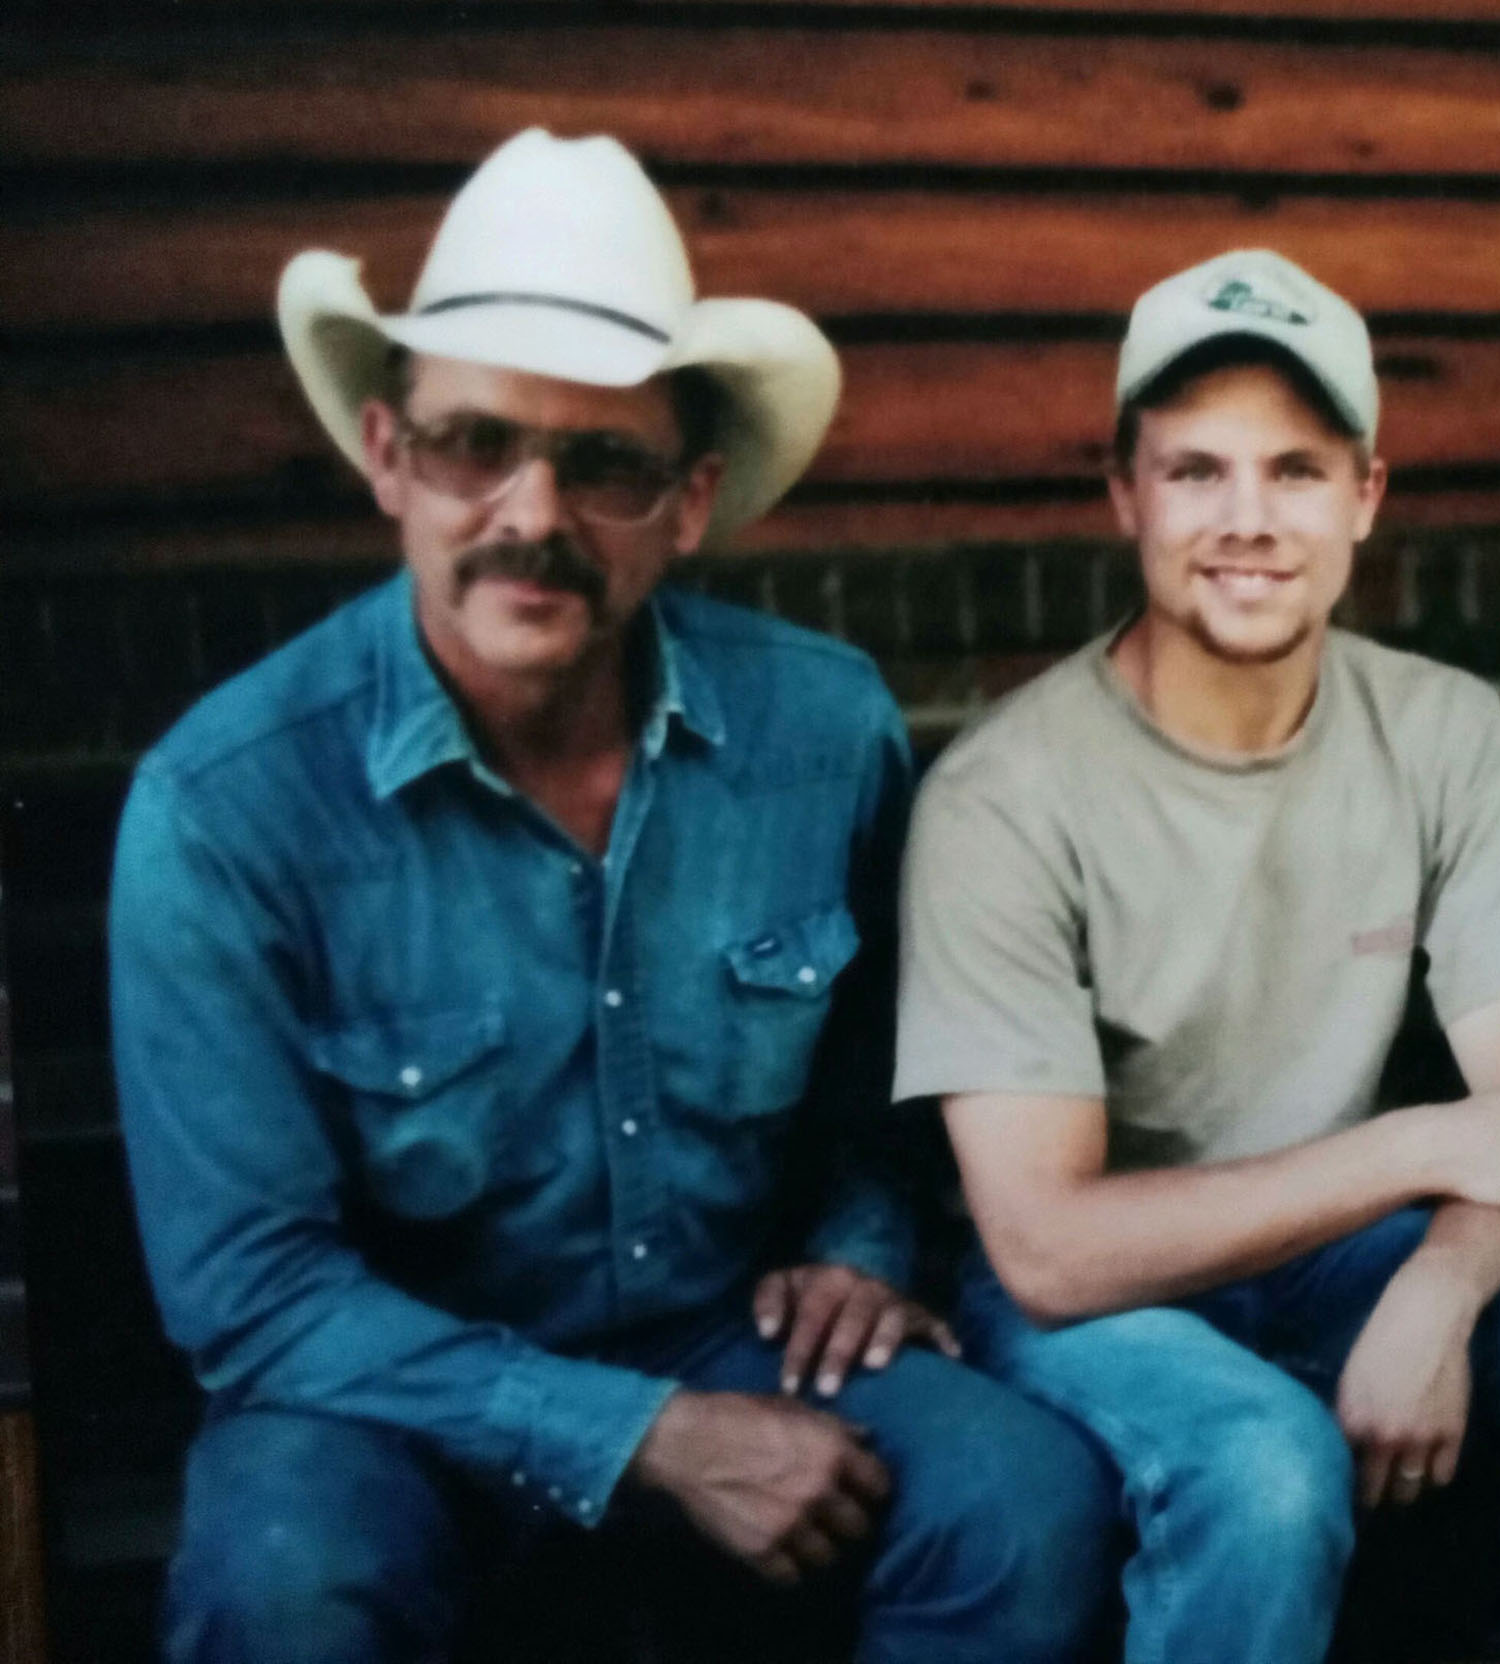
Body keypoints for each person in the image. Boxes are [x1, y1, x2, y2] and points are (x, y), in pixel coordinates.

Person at [109, 129, 1117, 1664]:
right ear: (387, 456)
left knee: (1019, 1500)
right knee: (285, 1577)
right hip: (388, 1402)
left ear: (690, 500)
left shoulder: (821, 730)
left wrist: (857, 1247)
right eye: (475, 443)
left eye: (605, 464)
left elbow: (879, 1089)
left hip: (735, 1337)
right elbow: (255, 1297)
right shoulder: (226, 804)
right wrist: (641, 1435)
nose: (533, 513)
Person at [894, 248, 1500, 1664]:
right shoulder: (1000, 796)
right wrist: (1414, 1147)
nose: (1248, 519)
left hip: (1352, 1258)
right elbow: (1047, 1248)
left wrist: (1436, 1294)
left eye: (1294, 470)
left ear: (1364, 496)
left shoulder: (1443, 729)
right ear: (1125, 494)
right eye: (1196, 471)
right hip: (1108, 1293)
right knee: (1265, 1466)